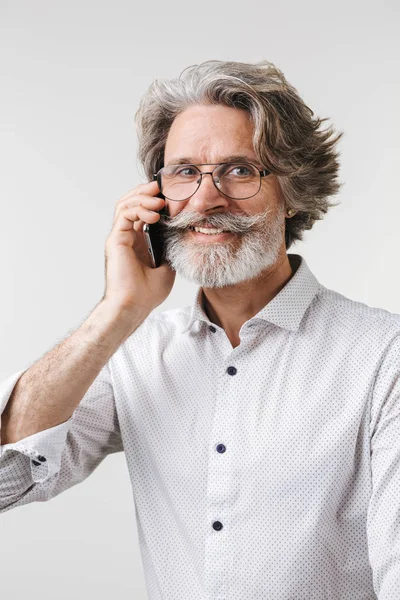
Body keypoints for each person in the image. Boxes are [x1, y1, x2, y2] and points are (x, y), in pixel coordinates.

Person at [1, 59, 399, 600]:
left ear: (293, 191)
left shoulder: (383, 357)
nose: (207, 200)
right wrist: (118, 309)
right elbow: (8, 480)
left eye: (240, 170)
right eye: (185, 172)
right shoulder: (135, 353)